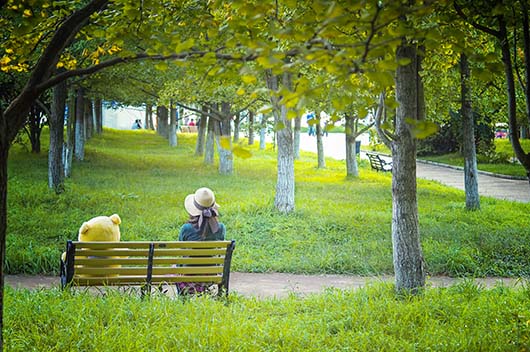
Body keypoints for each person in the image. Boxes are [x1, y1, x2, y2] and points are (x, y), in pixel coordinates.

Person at [177, 187, 225, 294]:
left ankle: (183, 297)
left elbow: (180, 251)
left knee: (175, 267)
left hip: (188, 273)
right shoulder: (220, 228)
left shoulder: (186, 229)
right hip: (211, 273)